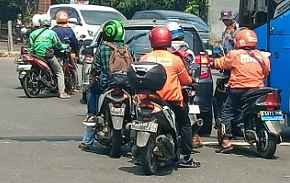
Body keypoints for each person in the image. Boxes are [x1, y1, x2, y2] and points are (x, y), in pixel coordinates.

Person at [139, 26, 201, 168]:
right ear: (168, 40)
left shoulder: (144, 58)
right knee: (185, 124)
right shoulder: (175, 60)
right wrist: (192, 81)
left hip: (149, 100)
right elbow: (185, 80)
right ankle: (186, 157)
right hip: (171, 101)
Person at [212, 28, 271, 153]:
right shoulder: (262, 56)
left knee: (227, 112)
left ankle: (226, 141)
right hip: (257, 90)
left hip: (238, 89)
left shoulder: (235, 54)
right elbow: (266, 72)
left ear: (239, 41)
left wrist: (213, 62)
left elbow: (221, 64)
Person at [80, 20, 133, 149]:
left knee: (91, 91)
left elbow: (95, 69)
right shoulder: (128, 48)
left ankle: (90, 124)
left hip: (106, 85)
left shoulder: (102, 48)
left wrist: (93, 77)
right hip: (126, 85)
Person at [166, 21, 202, 148]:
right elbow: (192, 71)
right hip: (185, 87)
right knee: (189, 109)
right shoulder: (188, 51)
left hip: (167, 87)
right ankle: (193, 138)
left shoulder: (165, 51)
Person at [28, 15, 70, 99]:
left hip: (35, 55)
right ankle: (62, 92)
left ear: (41, 24)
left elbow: (31, 46)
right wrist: (65, 46)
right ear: (49, 24)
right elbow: (58, 45)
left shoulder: (33, 33)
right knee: (59, 72)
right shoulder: (51, 33)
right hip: (48, 56)